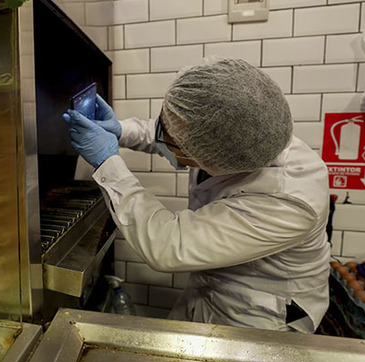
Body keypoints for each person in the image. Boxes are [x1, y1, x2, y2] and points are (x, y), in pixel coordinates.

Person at [62, 59, 330, 333]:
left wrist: (108, 163)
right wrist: (119, 130)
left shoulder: (288, 199)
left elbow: (168, 245)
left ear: (209, 155)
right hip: (208, 288)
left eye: (173, 140)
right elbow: (173, 132)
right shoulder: (238, 135)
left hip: (258, 317)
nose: (160, 134)